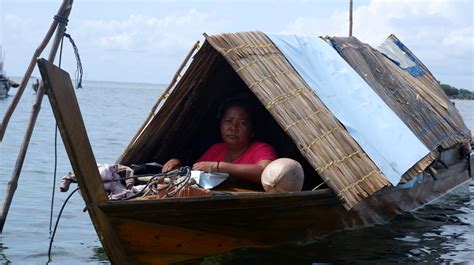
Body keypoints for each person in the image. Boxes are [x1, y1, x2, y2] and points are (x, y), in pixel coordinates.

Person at [162, 98, 277, 185]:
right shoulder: (216, 149)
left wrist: (218, 167)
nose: (233, 127)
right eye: (228, 121)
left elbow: (267, 173)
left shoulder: (262, 149)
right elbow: (196, 172)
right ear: (220, 125)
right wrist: (177, 165)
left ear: (252, 130)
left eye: (242, 123)